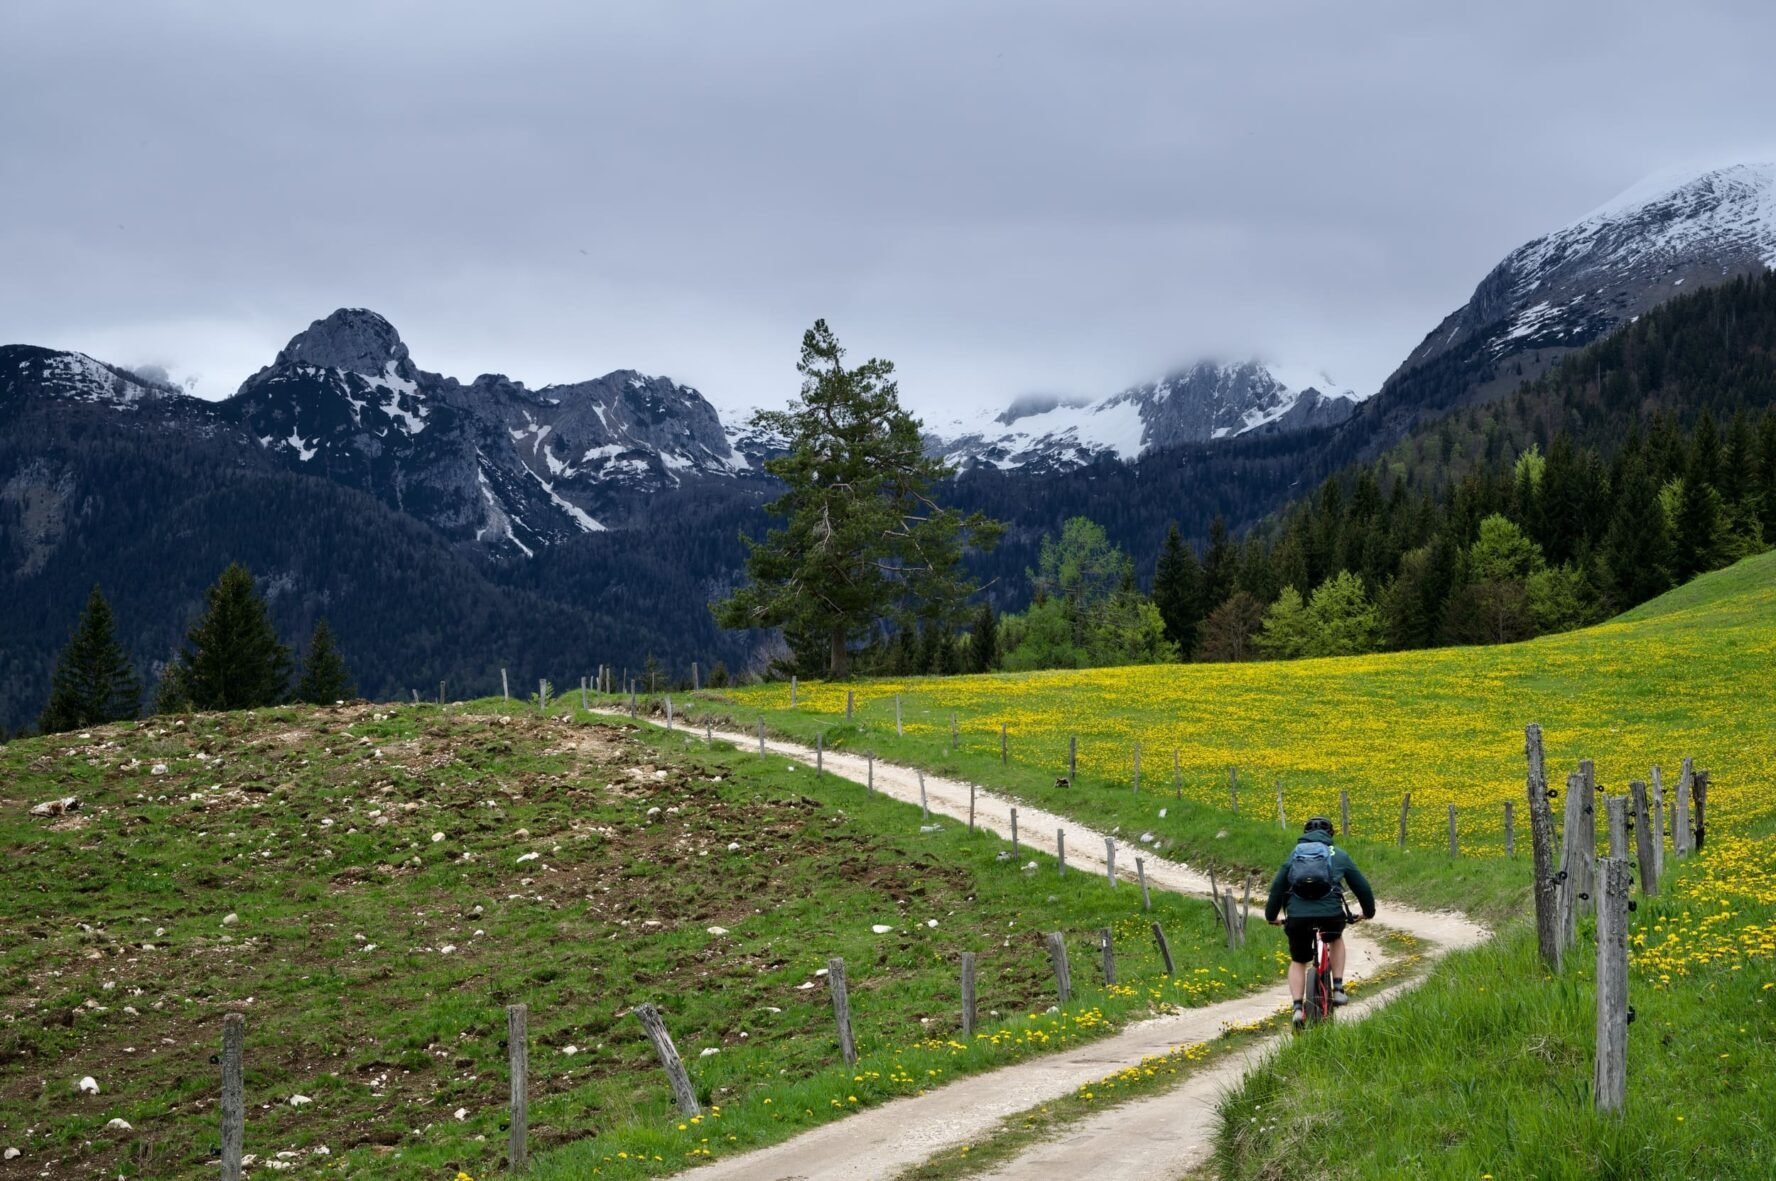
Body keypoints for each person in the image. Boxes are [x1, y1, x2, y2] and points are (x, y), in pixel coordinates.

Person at [1264, 815, 1376, 1029]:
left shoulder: (1294, 856)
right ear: (1330, 834)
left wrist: (1271, 916)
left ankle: (1297, 1008)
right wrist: (1368, 912)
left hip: (1297, 917)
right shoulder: (1339, 855)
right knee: (1335, 938)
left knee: (1298, 960)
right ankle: (1338, 988)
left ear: (1305, 835)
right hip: (1330, 914)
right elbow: (1362, 886)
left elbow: (1277, 887)